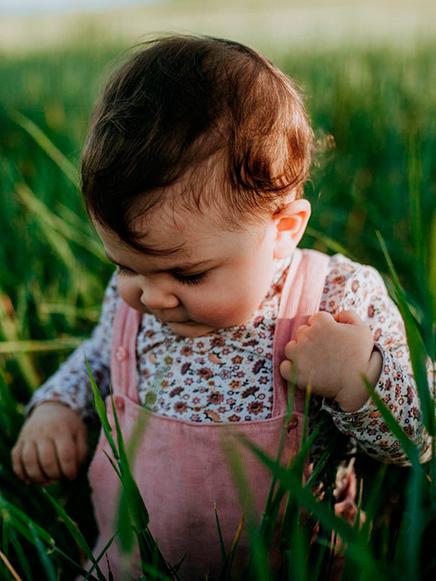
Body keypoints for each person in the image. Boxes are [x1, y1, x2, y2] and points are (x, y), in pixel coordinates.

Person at [11, 34, 432, 579]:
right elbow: (97, 359)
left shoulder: (334, 299)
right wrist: (57, 408)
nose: (150, 296)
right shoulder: (135, 299)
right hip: (134, 563)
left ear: (283, 230)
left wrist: (362, 375)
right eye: (126, 265)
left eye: (188, 273)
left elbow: (419, 440)